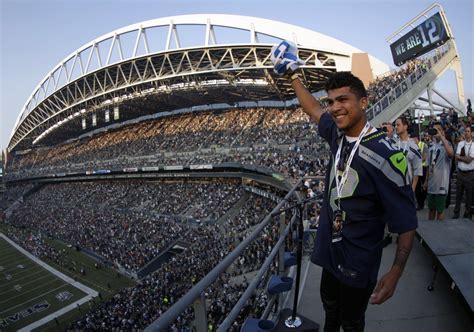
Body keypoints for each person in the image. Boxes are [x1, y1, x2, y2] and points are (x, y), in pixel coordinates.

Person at [271, 41, 417, 331]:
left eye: (343, 100)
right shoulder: (337, 135)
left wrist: (396, 272)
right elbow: (312, 108)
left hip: (359, 262)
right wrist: (293, 75)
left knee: (351, 322)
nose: (335, 108)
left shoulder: (386, 154)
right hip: (330, 252)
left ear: (363, 102)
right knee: (330, 313)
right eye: (332, 101)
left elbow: (407, 222)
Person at [423, 122, 454, 220]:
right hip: (432, 183)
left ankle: (440, 231)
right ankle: (431, 231)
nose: (435, 132)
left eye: (438, 130)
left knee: (440, 210)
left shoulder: (446, 144)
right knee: (431, 209)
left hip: (441, 184)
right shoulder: (431, 146)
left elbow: (451, 153)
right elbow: (428, 166)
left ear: (442, 131)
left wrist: (441, 136)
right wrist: (426, 181)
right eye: (434, 130)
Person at [395, 117, 423, 192]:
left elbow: (417, 170)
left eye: (398, 125)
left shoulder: (414, 146)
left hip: (407, 187)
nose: (396, 127)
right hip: (393, 187)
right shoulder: (393, 144)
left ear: (405, 127)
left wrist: (412, 189)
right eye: (395, 125)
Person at [452, 125, 474, 219]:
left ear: (472, 133)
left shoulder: (473, 145)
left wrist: (461, 158)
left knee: (469, 195)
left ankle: (467, 213)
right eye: (465, 131)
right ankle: (456, 213)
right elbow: (456, 157)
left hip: (470, 173)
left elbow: (469, 160)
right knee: (458, 194)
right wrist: (463, 158)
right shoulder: (461, 143)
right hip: (460, 172)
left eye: (468, 131)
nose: (466, 133)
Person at [413, 133, 428, 210]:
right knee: (417, 187)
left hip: (423, 168)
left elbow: (424, 157)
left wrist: (416, 161)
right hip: (416, 168)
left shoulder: (423, 145)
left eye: (413, 139)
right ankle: (419, 204)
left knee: (423, 187)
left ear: (416, 138)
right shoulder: (413, 146)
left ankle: (422, 201)